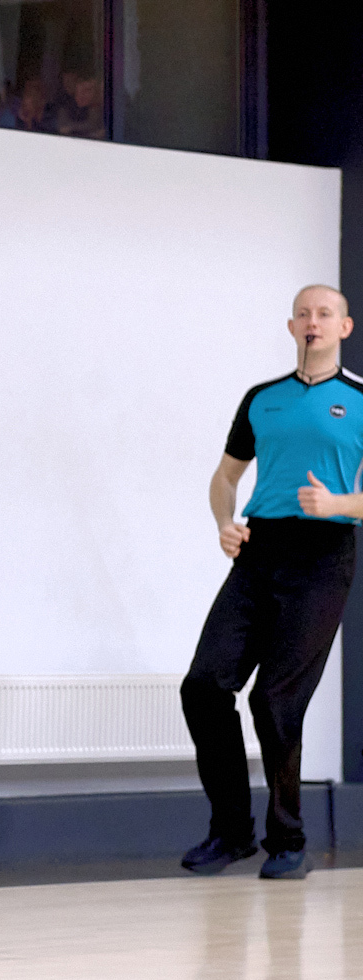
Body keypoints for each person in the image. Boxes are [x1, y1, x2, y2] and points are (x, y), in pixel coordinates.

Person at [180, 285, 363, 881]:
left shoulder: (360, 400)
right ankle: (231, 833)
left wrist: (340, 503)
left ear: (344, 327)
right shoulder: (262, 399)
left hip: (323, 558)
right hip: (259, 551)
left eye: (325, 313)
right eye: (304, 313)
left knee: (275, 701)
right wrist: (223, 522)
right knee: (204, 686)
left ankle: (288, 840)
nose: (314, 321)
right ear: (291, 327)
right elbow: (225, 476)